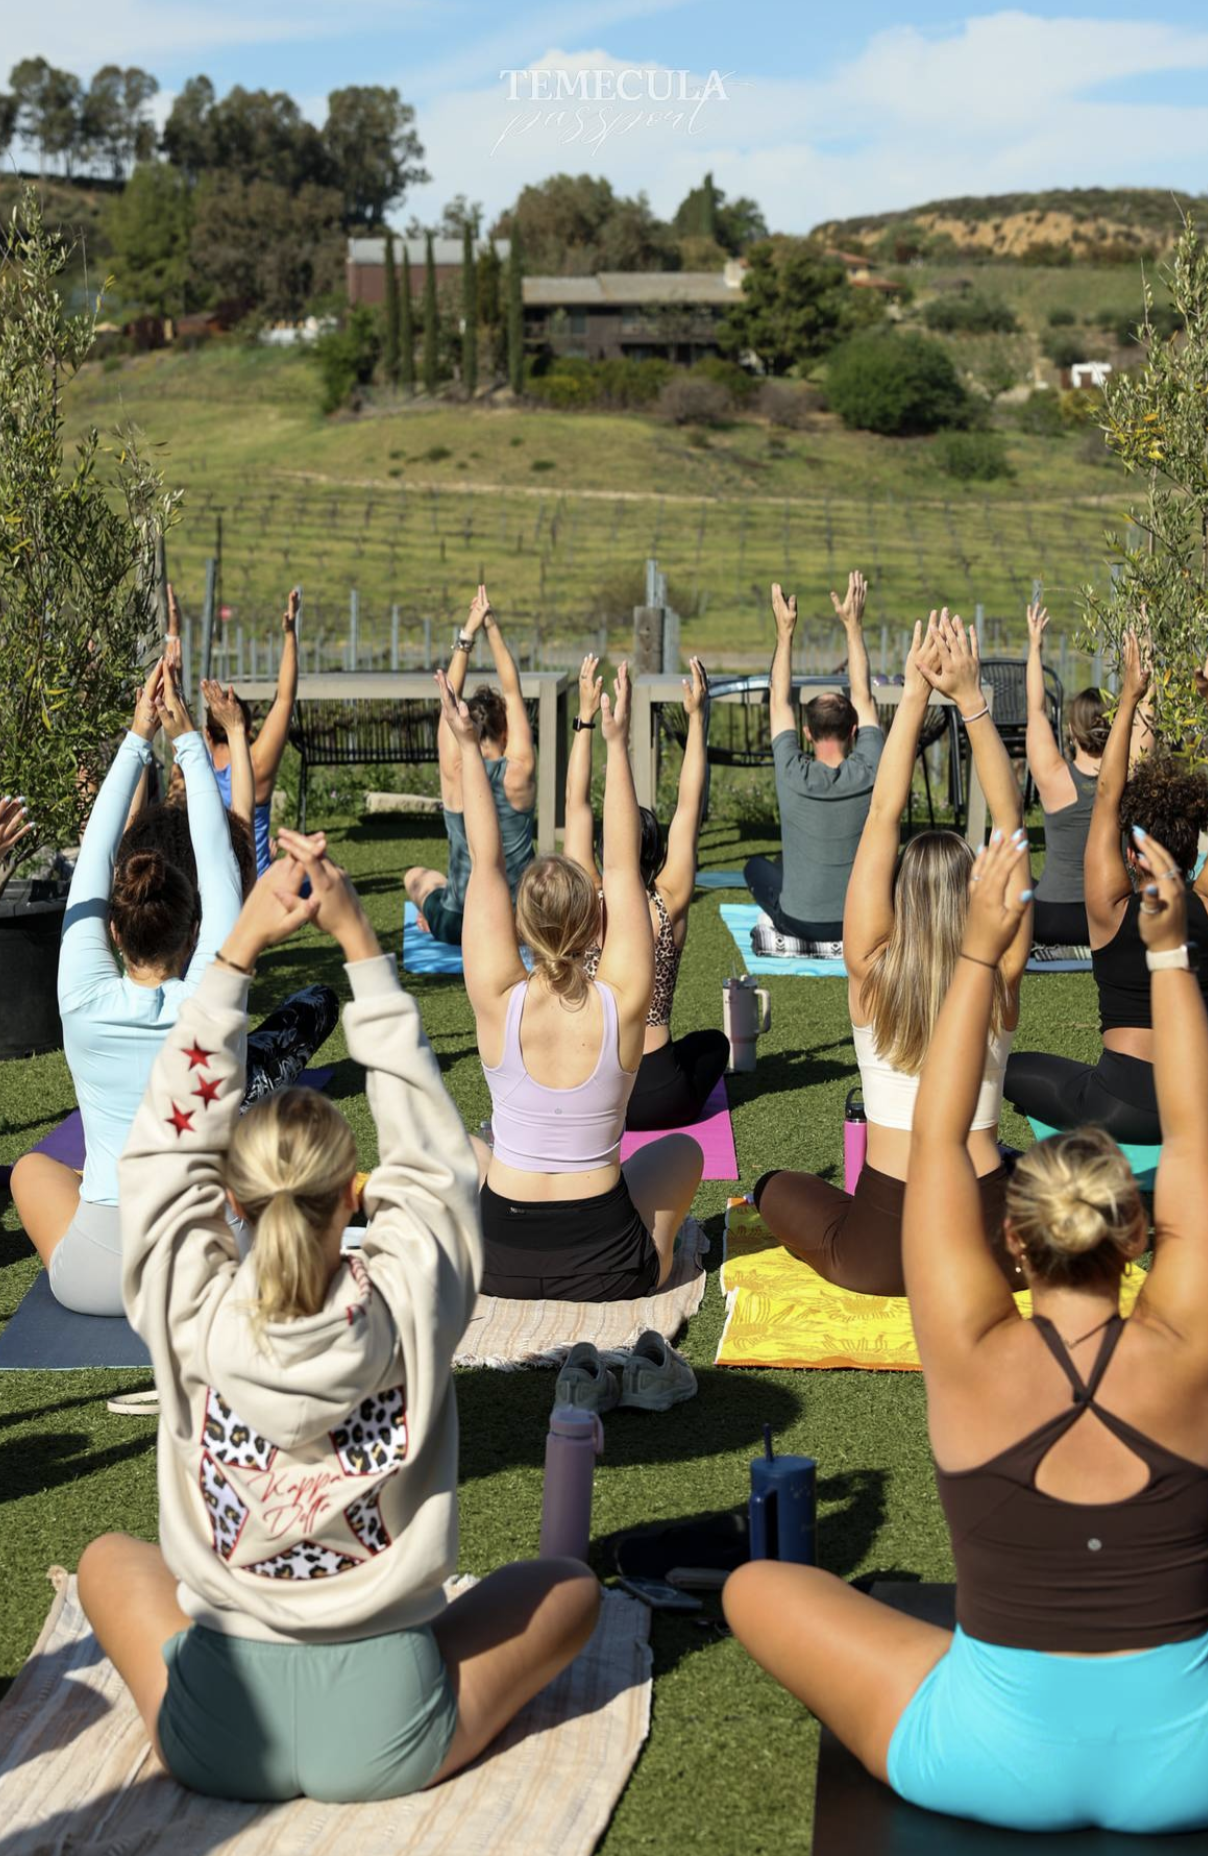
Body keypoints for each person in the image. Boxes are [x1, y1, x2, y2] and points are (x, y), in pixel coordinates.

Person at [76, 839, 600, 1805]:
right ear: (353, 1195)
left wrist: (236, 951)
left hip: (219, 1729)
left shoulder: (184, 1305)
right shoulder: (412, 1300)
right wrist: (360, 942)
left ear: (228, 1199)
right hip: (390, 1724)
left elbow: (158, 1156)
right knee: (569, 1589)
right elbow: (438, 1165)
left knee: (109, 1562)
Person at [726, 825, 1208, 1837]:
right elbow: (1197, 1132)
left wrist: (977, 953)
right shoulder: (1186, 1344)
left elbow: (938, 1140)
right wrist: (1168, 953)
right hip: (1188, 1763)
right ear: (1135, 1234)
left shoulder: (965, 1343)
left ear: (1012, 1243)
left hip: (989, 1756)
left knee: (756, 1587)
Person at [10, 664, 335, 1316]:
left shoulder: (81, 995)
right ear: (196, 931)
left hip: (100, 1279)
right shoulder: (214, 998)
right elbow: (218, 869)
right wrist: (185, 736)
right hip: (215, 1268)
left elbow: (91, 865)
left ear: (112, 927)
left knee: (29, 1170)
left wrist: (137, 737)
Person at [754, 613, 1029, 1295]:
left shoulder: (870, 969)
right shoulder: (998, 974)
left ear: (900, 898)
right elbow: (1012, 823)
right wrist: (969, 701)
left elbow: (882, 814)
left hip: (882, 1247)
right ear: (977, 897)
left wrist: (913, 694)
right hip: (990, 1242)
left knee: (772, 1186)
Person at [439, 660, 703, 1302]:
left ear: (523, 930)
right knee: (683, 1156)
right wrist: (617, 739)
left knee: (458, 1146)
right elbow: (621, 861)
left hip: (496, 1261)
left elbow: (487, 861)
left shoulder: (497, 999)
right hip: (607, 1267)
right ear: (598, 921)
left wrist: (470, 749)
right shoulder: (621, 996)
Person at [1006, 631, 1208, 1145]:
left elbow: (1107, 798)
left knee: (1005, 1066)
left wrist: (1130, 698)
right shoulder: (1204, 902)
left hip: (1119, 1103)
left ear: (1132, 853)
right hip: (1196, 1100)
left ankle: (998, 1167)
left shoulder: (1110, 908)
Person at [566, 652, 729, 1131]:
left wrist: (586, 720)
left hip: (594, 1093)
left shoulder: (585, 902)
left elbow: (576, 806)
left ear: (601, 849)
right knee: (715, 1044)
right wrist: (697, 718)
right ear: (655, 856)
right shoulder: (669, 898)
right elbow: (688, 805)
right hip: (662, 1096)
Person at [743, 573, 884, 952]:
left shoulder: (792, 772)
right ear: (854, 730)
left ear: (806, 735)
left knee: (756, 866)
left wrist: (785, 634)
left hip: (798, 921)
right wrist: (853, 626)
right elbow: (864, 695)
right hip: (861, 918)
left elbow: (779, 701)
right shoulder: (870, 769)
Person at [404, 586, 535, 946]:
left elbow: (449, 696)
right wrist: (491, 625)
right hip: (521, 926)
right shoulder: (521, 769)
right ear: (505, 728)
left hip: (463, 925)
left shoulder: (455, 772)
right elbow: (512, 690)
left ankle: (437, 907)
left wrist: (467, 634)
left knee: (415, 876)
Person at [1025, 600, 1108, 949]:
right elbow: (1145, 713)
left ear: (1072, 732)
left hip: (1052, 919)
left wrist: (1034, 645)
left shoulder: (1055, 778)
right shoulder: (1125, 780)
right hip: (1107, 920)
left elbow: (1036, 710)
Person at [200, 585, 299, 876]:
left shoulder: (191, 770)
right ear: (247, 728)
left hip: (208, 888)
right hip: (256, 890)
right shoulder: (255, 766)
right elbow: (284, 699)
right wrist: (290, 634)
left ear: (207, 733)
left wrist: (173, 634)